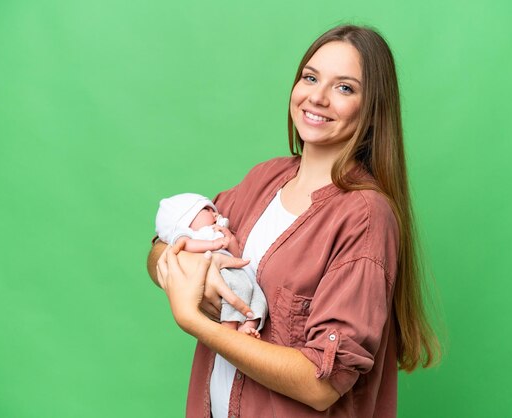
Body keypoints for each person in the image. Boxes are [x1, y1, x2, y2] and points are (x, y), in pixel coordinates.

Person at [147, 24, 440, 417]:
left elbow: (322, 385)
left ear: (372, 109)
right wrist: (188, 261)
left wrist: (197, 320)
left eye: (344, 88)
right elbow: (160, 247)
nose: (317, 97)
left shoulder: (365, 217)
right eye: (310, 77)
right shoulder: (264, 179)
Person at [154, 193, 266, 337]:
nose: (215, 214)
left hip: (236, 271)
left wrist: (230, 238)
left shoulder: (216, 232)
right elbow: (185, 245)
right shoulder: (186, 233)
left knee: (259, 299)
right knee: (238, 290)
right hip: (221, 273)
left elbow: (236, 256)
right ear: (186, 218)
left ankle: (248, 326)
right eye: (207, 210)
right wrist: (213, 244)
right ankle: (229, 328)